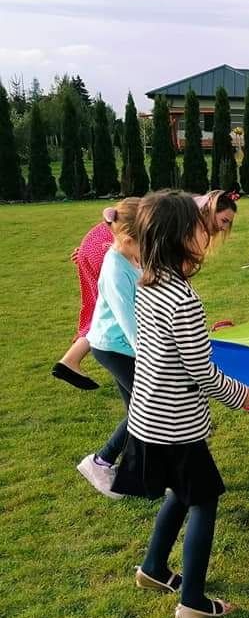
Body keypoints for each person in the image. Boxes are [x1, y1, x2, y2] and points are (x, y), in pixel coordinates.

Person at [111, 191, 249, 618]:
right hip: (175, 424)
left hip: (147, 416)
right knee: (204, 499)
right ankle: (192, 600)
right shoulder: (182, 298)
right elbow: (202, 372)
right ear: (180, 238)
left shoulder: (148, 283)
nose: (206, 232)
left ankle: (154, 568)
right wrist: (244, 396)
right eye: (198, 227)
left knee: (182, 491)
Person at [75, 198, 142, 498]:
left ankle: (133, 473)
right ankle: (100, 462)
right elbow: (127, 321)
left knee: (139, 412)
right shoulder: (115, 268)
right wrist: (153, 358)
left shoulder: (131, 256)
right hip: (115, 347)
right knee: (146, 408)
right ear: (128, 239)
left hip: (125, 345)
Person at [53, 206, 124, 390]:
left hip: (93, 246)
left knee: (100, 308)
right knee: (111, 311)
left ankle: (70, 360)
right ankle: (70, 360)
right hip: (105, 249)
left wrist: (87, 252)